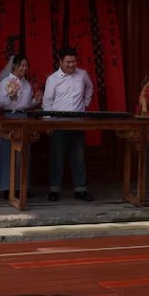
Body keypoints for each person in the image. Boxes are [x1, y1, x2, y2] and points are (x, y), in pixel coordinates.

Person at [42, 47, 94, 202]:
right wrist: (48, 122)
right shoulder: (53, 79)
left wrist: (85, 104)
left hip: (78, 121)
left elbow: (90, 88)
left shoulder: (83, 75)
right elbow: (47, 101)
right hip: (58, 122)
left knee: (79, 158)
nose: (71, 65)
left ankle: (80, 189)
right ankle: (54, 189)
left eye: (74, 61)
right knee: (57, 157)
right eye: (68, 62)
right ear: (60, 62)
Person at [0, 54, 42, 199]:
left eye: (26, 66)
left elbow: (25, 105)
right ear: (14, 66)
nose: (24, 68)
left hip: (24, 118)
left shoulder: (26, 84)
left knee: (24, 153)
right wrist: (10, 94)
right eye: (21, 65)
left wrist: (35, 101)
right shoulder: (5, 82)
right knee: (9, 153)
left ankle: (22, 187)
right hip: (10, 119)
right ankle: (7, 187)